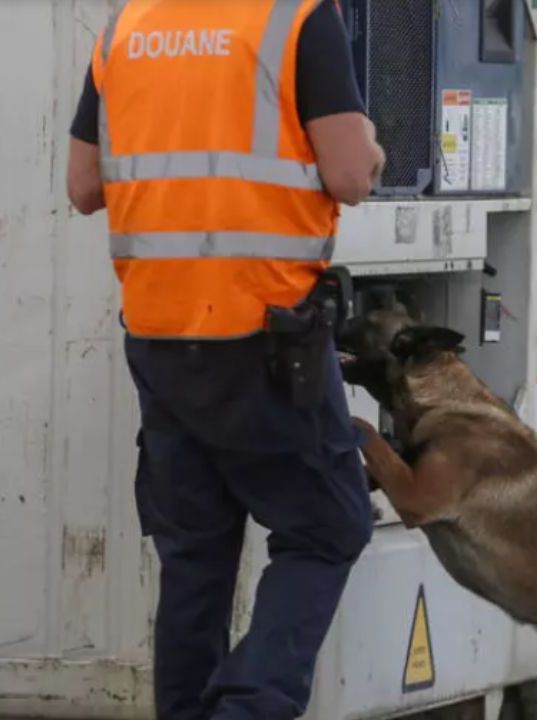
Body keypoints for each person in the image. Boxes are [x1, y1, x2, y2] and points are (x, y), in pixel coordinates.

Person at [66, 1, 386, 718]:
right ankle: (248, 707)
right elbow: (349, 177)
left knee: (196, 558)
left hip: (158, 335)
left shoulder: (128, 26)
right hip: (263, 336)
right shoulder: (298, 19)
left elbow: (84, 187)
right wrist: (371, 150)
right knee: (328, 527)